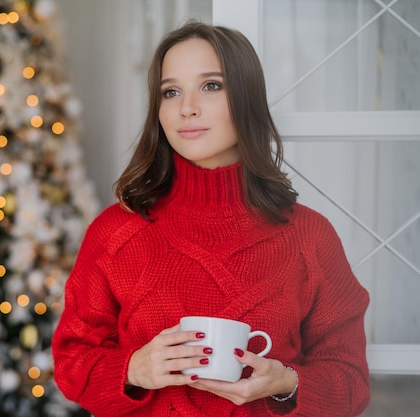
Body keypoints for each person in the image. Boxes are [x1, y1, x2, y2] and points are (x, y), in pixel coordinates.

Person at [51, 21, 370, 417]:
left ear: (246, 98)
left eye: (211, 86)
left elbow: (352, 381)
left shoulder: (309, 235)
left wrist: (287, 383)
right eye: (171, 92)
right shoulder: (116, 231)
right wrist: (134, 369)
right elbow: (70, 364)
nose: (187, 108)